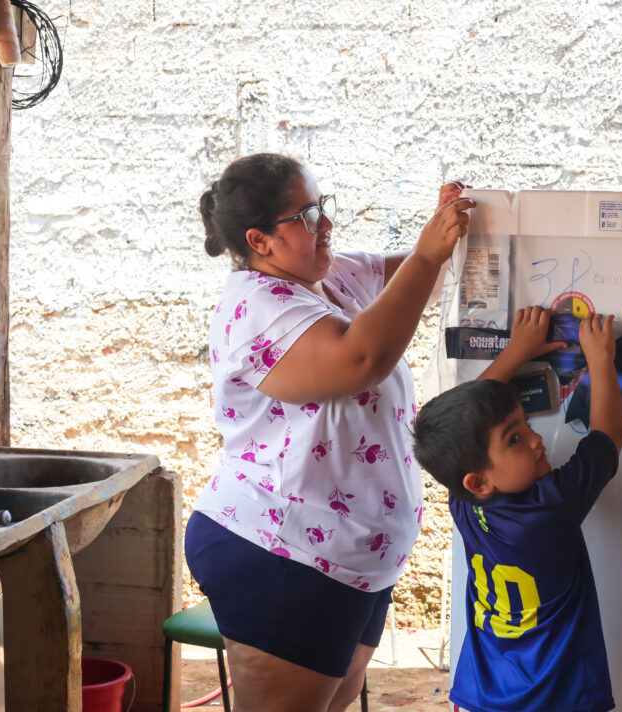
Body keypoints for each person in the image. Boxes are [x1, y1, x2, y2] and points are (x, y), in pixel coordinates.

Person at [185, 152, 475, 712]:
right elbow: (362, 356)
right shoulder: (257, 305)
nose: (327, 224)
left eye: (323, 207)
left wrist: (449, 232)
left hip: (350, 556)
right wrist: (428, 251)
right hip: (282, 554)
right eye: (308, 214)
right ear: (260, 240)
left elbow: (428, 276)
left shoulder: (332, 276)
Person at [413, 306, 622, 712]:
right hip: (557, 699)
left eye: (525, 423)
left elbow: (466, 425)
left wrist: (517, 349)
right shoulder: (549, 508)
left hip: (481, 694)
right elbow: (608, 436)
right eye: (514, 439)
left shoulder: (464, 499)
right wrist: (601, 359)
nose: (534, 439)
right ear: (479, 480)